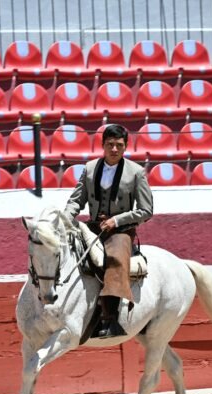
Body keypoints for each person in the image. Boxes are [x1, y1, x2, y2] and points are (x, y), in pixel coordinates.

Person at [64, 124, 154, 338]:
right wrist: (65, 219)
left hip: (120, 230)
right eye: (110, 145)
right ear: (103, 145)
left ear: (125, 147)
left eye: (119, 145)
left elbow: (146, 210)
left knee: (114, 257)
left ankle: (110, 319)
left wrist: (117, 220)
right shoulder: (89, 168)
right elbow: (76, 200)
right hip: (93, 225)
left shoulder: (136, 172)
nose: (114, 149)